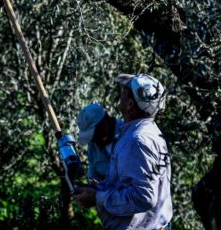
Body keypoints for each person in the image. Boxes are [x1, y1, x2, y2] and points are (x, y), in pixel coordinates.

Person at [73, 73, 172, 230]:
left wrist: (97, 197)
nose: (121, 94)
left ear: (130, 104)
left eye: (125, 91)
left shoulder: (137, 141)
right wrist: (95, 189)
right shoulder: (144, 132)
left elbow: (143, 197)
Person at [77, 102, 122, 183]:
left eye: (93, 134)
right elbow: (93, 176)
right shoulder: (93, 146)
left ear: (104, 125)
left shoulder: (128, 136)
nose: (93, 140)